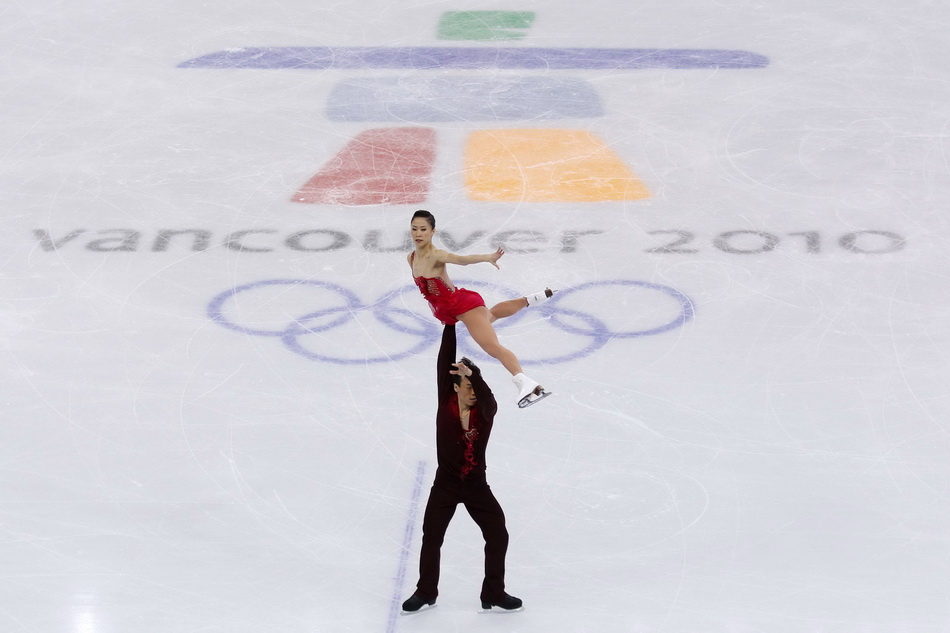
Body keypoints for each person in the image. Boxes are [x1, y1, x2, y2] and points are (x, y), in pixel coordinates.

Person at [401, 324, 523, 614]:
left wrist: (475, 375)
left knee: (498, 534)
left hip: (476, 485)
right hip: (445, 483)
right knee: (432, 536)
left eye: (475, 388)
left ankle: (494, 592)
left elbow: (487, 396)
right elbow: (445, 359)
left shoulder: (485, 411)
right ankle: (426, 591)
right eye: (467, 387)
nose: (473, 393)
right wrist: (450, 323)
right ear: (455, 387)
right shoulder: (446, 400)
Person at [407, 209, 553, 408]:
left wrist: (487, 257)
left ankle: (525, 382)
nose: (418, 233)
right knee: (490, 315)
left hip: (463, 307)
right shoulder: (412, 257)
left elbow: (461, 260)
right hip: (450, 309)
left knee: (492, 347)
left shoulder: (437, 255)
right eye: (414, 229)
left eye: (423, 229)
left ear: (433, 231)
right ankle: (531, 299)